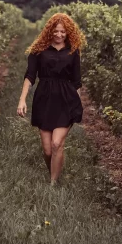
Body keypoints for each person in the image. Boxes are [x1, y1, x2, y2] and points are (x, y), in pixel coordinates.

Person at [17, 13, 86, 186]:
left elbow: (77, 81)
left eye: (63, 32)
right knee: (47, 150)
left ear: (68, 32)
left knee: (57, 144)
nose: (60, 35)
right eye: (56, 31)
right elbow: (30, 76)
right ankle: (53, 173)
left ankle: (53, 185)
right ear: (50, 31)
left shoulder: (73, 50)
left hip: (66, 100)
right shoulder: (38, 50)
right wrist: (22, 100)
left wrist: (78, 106)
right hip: (44, 100)